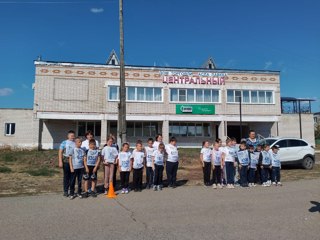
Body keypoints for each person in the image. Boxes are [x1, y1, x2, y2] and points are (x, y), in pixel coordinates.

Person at [58, 130, 75, 197]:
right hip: (66, 161)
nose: (72, 137)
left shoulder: (75, 143)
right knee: (66, 177)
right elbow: (60, 152)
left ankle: (72, 191)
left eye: (73, 136)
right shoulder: (64, 142)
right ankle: (65, 191)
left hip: (73, 162)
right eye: (71, 136)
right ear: (68, 136)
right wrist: (60, 161)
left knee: (72, 177)